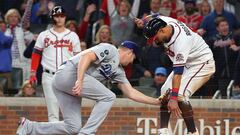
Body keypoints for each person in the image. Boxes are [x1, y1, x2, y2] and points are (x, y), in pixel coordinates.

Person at [16, 41, 160, 135]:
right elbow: (86, 57)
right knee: (109, 96)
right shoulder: (110, 49)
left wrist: (157, 102)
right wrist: (79, 80)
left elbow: (130, 92)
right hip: (69, 73)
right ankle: (87, 133)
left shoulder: (119, 71)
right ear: (129, 52)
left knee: (73, 127)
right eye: (133, 59)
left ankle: (29, 127)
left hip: (64, 83)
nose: (131, 63)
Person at [135, 14, 215, 135]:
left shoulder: (181, 42)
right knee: (164, 91)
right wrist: (144, 22)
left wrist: (173, 98)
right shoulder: (164, 22)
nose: (154, 41)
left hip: (202, 63)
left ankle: (193, 132)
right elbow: (156, 15)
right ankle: (163, 131)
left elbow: (178, 74)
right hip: (187, 62)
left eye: (155, 37)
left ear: (162, 30)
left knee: (179, 95)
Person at [29, 6, 81, 122]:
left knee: (69, 112)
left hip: (67, 76)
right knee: (53, 113)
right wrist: (32, 72)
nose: (59, 19)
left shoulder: (73, 36)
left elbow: (79, 59)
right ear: (52, 18)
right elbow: (36, 54)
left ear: (65, 17)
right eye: (56, 16)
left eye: (61, 16)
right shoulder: (44, 35)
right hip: (49, 76)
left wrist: (79, 77)